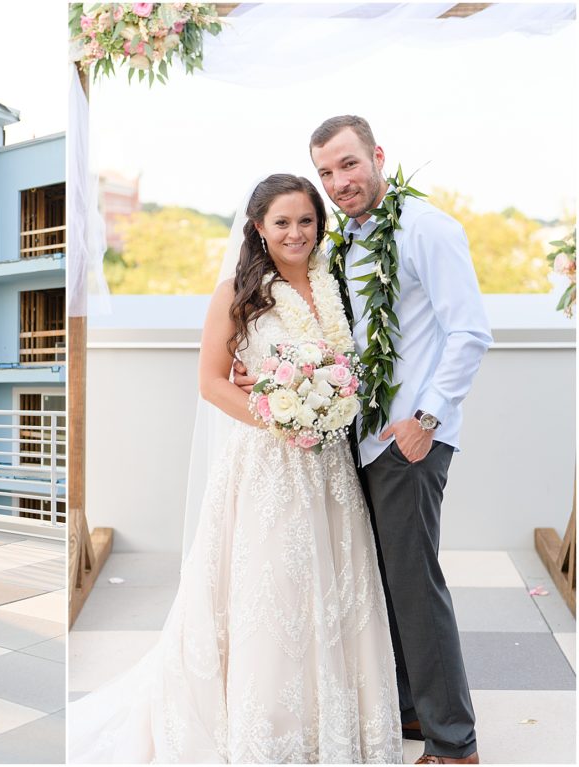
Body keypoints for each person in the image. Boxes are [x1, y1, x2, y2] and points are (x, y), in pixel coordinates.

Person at [69, 174, 402, 763]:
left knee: (334, 590)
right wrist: (279, 414)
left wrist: (325, 406)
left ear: (320, 226)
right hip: (267, 463)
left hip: (330, 467)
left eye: (306, 221)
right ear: (258, 228)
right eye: (282, 222)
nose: (296, 232)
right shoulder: (237, 292)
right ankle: (268, 730)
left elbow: (353, 366)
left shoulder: (340, 287)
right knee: (270, 592)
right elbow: (210, 383)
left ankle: (334, 726)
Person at [306, 115, 491, 765]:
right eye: (326, 172)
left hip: (410, 439)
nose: (339, 182)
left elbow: (469, 331)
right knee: (382, 581)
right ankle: (413, 710)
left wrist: (427, 420)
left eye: (349, 165)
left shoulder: (427, 228)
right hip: (356, 439)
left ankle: (454, 743)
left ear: (378, 155)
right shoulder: (344, 241)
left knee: (415, 585)